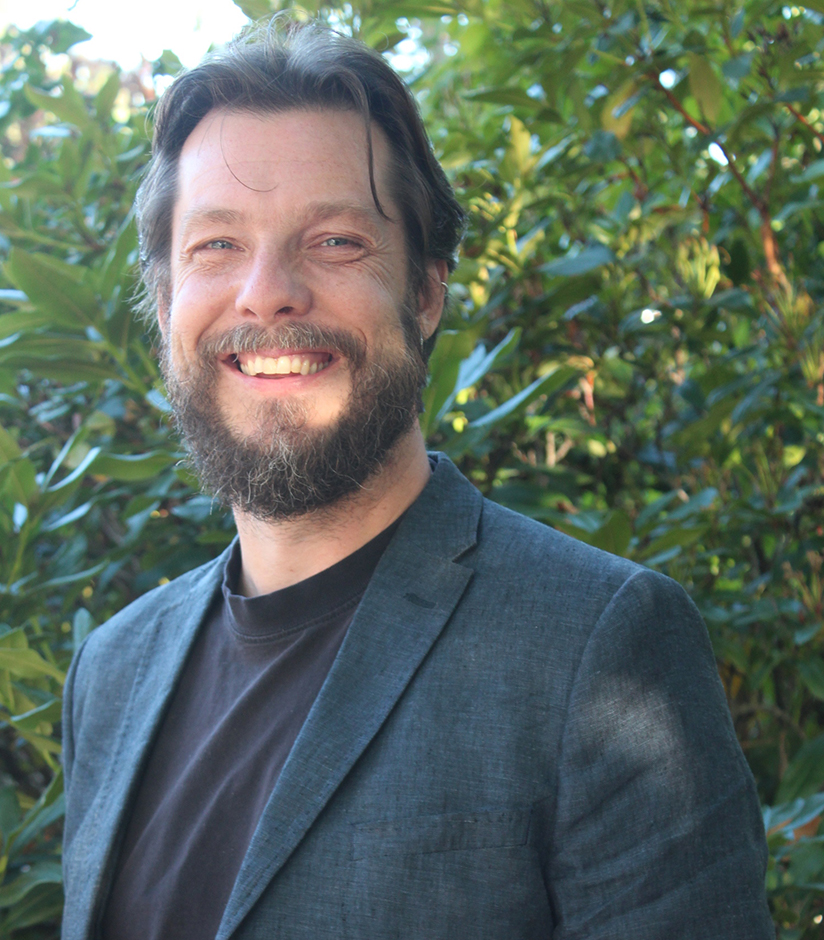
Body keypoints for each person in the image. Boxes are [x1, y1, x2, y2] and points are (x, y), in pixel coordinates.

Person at [61, 21, 774, 940]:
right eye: (216, 247)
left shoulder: (601, 646)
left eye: (336, 242)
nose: (268, 292)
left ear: (427, 293)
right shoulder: (109, 675)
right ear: (166, 307)